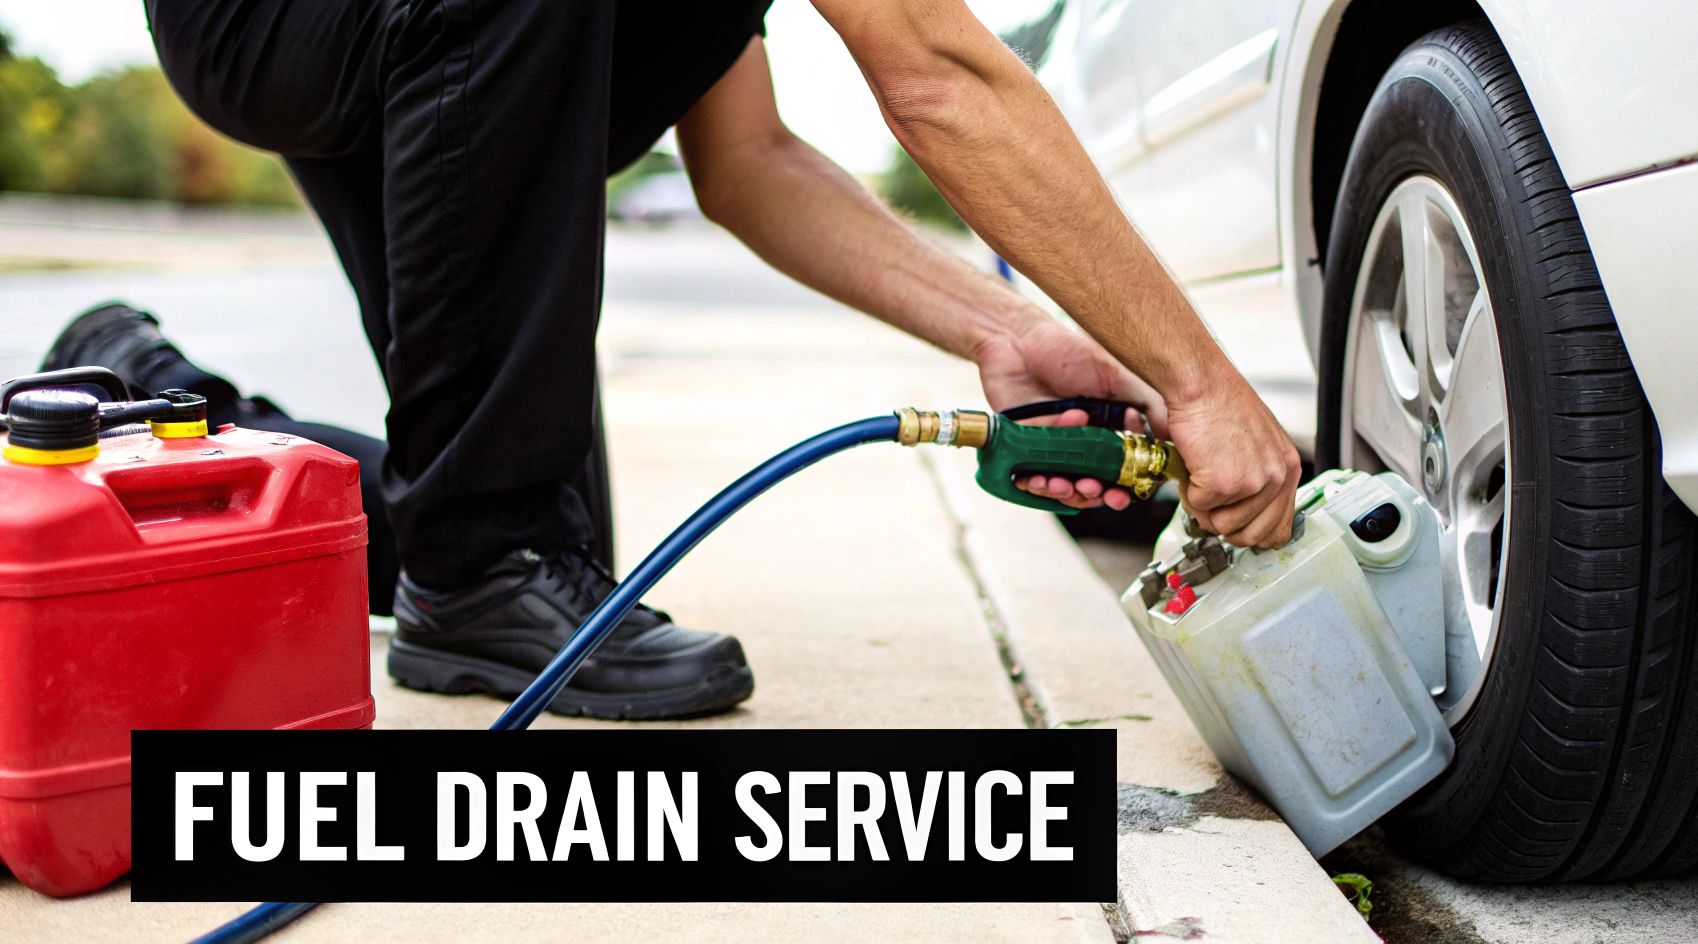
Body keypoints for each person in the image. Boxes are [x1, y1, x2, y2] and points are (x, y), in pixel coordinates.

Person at [81, 0, 1300, 721]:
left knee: (532, 547)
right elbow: (935, 72)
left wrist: (1003, 329)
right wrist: (1197, 381)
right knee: (495, 549)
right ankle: (482, 557)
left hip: (413, 39)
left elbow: (749, 160)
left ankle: (148, 398)